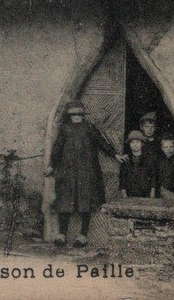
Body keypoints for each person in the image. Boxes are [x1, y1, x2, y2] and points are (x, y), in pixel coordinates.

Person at [44, 100, 125, 247]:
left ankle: (83, 235)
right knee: (65, 201)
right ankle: (62, 233)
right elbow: (57, 148)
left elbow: (102, 142)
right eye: (73, 114)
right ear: (69, 116)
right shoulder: (64, 129)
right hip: (68, 172)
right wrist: (51, 166)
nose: (76, 117)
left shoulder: (89, 128)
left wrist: (114, 154)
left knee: (85, 202)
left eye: (79, 114)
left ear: (83, 115)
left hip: (87, 172)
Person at [119, 130, 156, 199]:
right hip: (130, 194)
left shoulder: (149, 159)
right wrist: (124, 195)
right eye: (132, 142)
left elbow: (153, 176)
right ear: (129, 144)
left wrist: (152, 193)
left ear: (142, 143)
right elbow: (122, 178)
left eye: (137, 141)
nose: (135, 144)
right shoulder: (126, 160)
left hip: (145, 193)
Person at [155, 134, 174, 199]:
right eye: (166, 147)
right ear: (162, 148)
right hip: (161, 190)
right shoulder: (159, 161)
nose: (168, 149)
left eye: (171, 147)